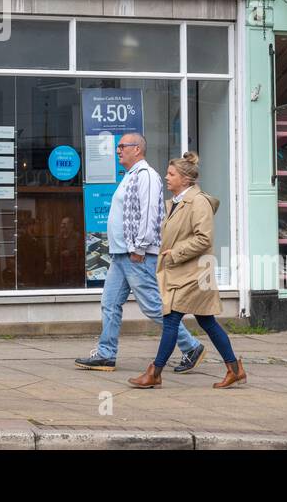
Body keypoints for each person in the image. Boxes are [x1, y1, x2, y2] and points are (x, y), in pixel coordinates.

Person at [75, 133, 205, 373]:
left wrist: (140, 248)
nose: (118, 150)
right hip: (121, 254)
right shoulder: (130, 176)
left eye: (122, 146)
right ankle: (106, 354)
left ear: (137, 149)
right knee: (110, 303)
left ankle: (191, 346)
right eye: (118, 147)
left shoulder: (146, 176)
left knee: (153, 306)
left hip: (136, 254)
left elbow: (148, 214)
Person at [129, 152, 244, 389]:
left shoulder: (198, 202)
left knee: (171, 320)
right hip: (182, 272)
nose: (166, 177)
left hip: (193, 273)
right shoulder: (175, 203)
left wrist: (176, 252)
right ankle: (234, 369)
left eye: (171, 174)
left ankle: (155, 372)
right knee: (207, 322)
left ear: (185, 179)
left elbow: (204, 238)